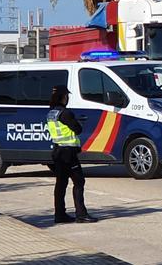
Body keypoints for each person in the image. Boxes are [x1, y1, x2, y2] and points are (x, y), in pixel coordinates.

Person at [46, 86, 95, 224]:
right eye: (67, 96)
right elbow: (77, 129)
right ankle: (81, 214)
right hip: (68, 152)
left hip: (58, 151)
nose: (68, 98)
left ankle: (59, 214)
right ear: (63, 97)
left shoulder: (51, 113)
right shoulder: (65, 113)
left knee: (61, 184)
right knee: (79, 181)